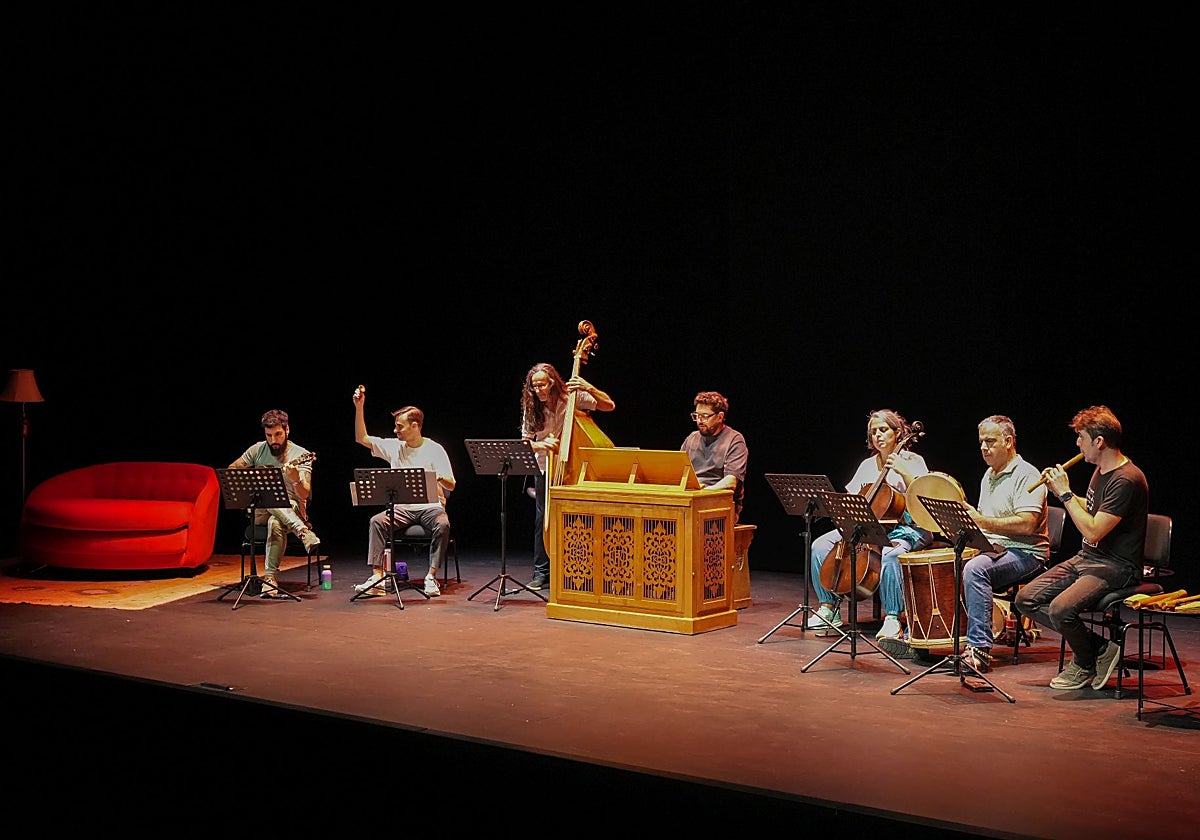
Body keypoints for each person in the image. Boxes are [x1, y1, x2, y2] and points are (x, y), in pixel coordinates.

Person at [1015, 405, 1148, 691]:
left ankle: (1084, 662)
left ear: (1099, 442)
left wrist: (1064, 494)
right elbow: (1092, 510)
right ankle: (1100, 649)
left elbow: (1093, 530)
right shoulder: (1100, 470)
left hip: (1116, 566)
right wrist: (1059, 489)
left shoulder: (1127, 479)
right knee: (1025, 599)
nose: (1077, 444)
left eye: (1082, 438)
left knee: (1062, 609)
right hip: (1088, 558)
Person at [807, 408, 932, 649]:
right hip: (869, 528)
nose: (878, 436)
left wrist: (904, 473)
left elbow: (923, 500)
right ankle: (828, 607)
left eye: (883, 430)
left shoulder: (914, 462)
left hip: (907, 528)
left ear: (898, 433)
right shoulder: (867, 465)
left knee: (890, 555)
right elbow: (852, 501)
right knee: (819, 545)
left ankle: (893, 617)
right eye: (873, 431)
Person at [957, 415, 1051, 674]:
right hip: (996, 548)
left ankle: (979, 649)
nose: (983, 448)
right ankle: (930, 636)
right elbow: (985, 519)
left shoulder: (1027, 475)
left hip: (1027, 552)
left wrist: (981, 521)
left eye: (990, 441)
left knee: (976, 569)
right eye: (981, 442)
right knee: (948, 560)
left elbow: (1026, 525)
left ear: (1008, 441)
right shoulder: (989, 475)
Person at [352, 385, 456, 597]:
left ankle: (431, 576)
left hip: (430, 508)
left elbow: (451, 484)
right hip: (402, 509)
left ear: (415, 426)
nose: (395, 430)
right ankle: (378, 577)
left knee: (443, 524)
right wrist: (359, 407)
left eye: (400, 427)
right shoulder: (394, 447)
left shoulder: (435, 449)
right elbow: (361, 438)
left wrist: (437, 477)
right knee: (377, 521)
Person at [519, 362, 615, 591]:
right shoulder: (531, 407)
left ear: (553, 382)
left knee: (579, 521)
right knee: (543, 520)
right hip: (546, 468)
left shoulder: (571, 397)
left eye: (542, 385)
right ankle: (541, 572)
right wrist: (541, 444)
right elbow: (525, 443)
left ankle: (579, 568)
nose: (539, 390)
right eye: (535, 386)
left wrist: (588, 386)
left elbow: (609, 405)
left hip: (575, 468)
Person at [228, 409, 321, 597]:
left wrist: (295, 479)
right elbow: (232, 470)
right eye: (268, 435)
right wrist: (252, 480)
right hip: (261, 511)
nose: (273, 441)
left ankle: (269, 579)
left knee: (275, 521)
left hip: (293, 509)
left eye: (278, 434)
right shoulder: (257, 449)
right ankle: (303, 532)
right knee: (267, 496)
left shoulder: (301, 454)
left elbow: (305, 492)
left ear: (287, 430)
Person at [681, 391, 748, 522]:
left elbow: (731, 481)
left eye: (705, 416)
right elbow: (678, 472)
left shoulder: (735, 440)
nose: (700, 420)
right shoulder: (691, 438)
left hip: (720, 504)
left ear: (720, 416)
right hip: (691, 500)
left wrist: (704, 493)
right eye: (697, 415)